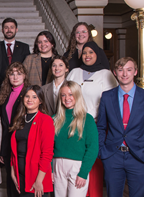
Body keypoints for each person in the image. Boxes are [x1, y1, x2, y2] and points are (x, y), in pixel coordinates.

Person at [66, 41, 118, 197]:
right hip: (73, 124)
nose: (87, 55)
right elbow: (65, 95)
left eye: (91, 53)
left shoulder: (106, 74)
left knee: (92, 165)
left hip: (94, 125)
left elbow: (112, 102)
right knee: (74, 165)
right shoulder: (74, 72)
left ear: (98, 54)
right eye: (85, 53)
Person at [98, 57, 144, 197]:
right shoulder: (106, 97)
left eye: (129, 70)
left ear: (135, 72)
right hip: (113, 155)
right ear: (115, 73)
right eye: (120, 70)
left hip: (138, 156)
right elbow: (100, 126)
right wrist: (102, 151)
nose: (125, 74)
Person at [53, 81, 98, 196]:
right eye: (63, 95)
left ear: (77, 95)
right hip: (57, 166)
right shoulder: (54, 119)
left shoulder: (87, 119)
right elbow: (49, 147)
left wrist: (83, 173)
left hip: (77, 166)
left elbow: (92, 148)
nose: (67, 98)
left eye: (70, 94)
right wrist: (51, 170)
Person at [10, 85, 54, 197]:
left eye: (34, 97)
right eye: (27, 96)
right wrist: (12, 171)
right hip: (20, 176)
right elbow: (14, 148)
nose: (30, 100)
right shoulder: (19, 119)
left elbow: (47, 154)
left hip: (36, 178)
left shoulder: (45, 120)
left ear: (40, 101)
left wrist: (39, 181)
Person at [0, 62, 30, 197]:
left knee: (21, 183)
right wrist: (2, 149)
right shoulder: (5, 95)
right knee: (11, 182)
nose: (15, 77)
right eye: (12, 74)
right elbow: (4, 126)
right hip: (8, 145)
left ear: (25, 76)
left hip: (23, 145)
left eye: (19, 73)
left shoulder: (29, 94)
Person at [0, 18, 30, 97]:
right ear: (2, 30)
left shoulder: (24, 47)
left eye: (12, 27)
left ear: (16, 29)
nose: (9, 30)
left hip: (19, 88)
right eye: (6, 27)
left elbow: (26, 67)